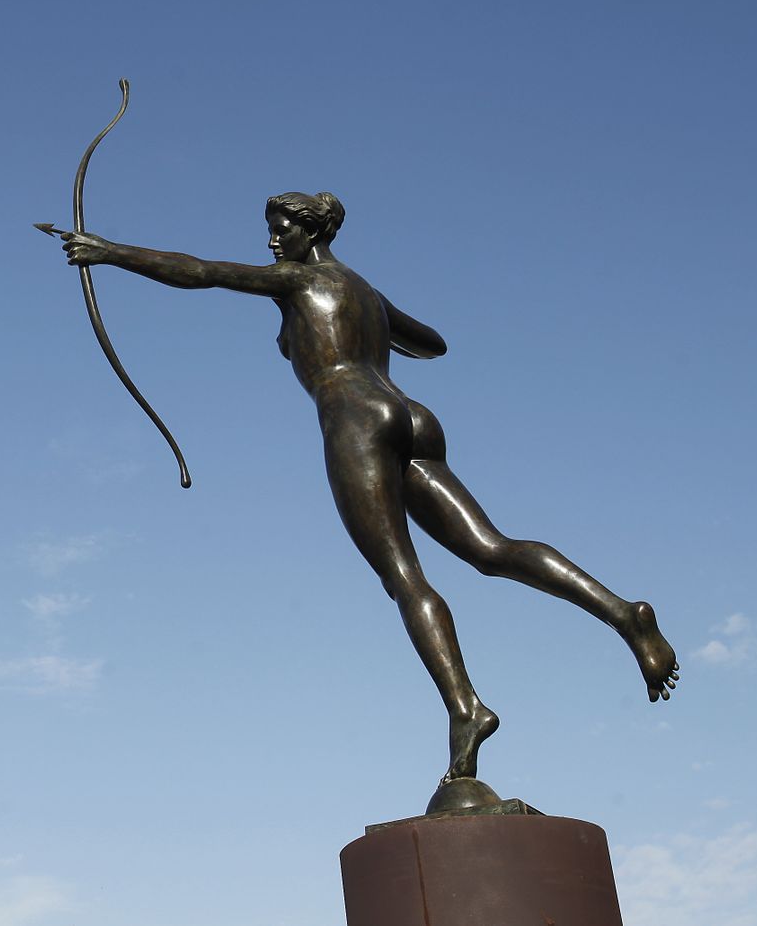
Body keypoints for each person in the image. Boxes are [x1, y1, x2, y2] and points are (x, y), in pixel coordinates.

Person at [57, 192, 678, 783]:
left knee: (403, 577)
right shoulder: (364, 292)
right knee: (492, 549)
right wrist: (376, 325)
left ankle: (465, 707)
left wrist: (108, 252)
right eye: (270, 229)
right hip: (411, 415)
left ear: (316, 231)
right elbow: (432, 345)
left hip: (354, 417)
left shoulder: (298, 281)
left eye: (285, 228)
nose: (274, 240)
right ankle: (625, 613)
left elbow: (201, 272)